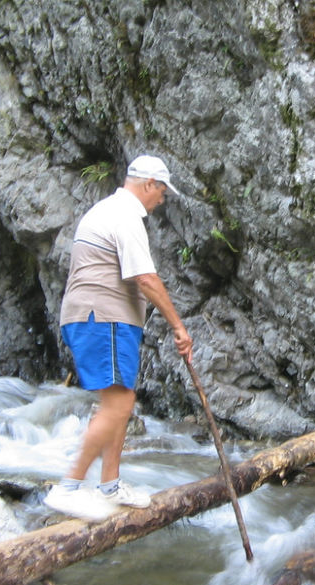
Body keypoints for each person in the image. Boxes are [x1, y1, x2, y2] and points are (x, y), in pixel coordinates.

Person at [44, 155, 193, 521]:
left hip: (106, 318)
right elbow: (145, 278)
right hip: (102, 317)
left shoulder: (108, 210)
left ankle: (110, 483)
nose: (162, 199)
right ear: (147, 184)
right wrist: (179, 327)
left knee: (121, 401)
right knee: (117, 406)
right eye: (161, 190)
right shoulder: (125, 215)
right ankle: (68, 487)